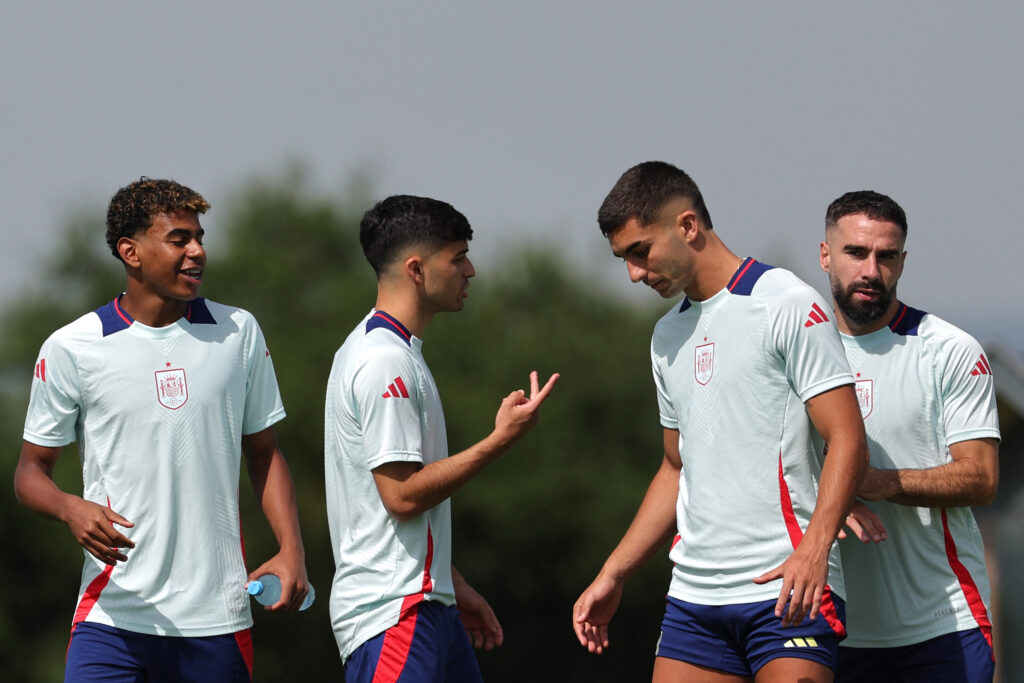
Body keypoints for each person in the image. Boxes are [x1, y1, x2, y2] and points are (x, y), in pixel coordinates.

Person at [572, 161, 869, 682]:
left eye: (640, 251)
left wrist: (813, 549)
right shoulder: (666, 336)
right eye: (623, 259)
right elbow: (673, 467)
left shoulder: (787, 304)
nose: (634, 274)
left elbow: (847, 437)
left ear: (688, 226)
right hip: (693, 600)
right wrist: (612, 573)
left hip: (786, 586)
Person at [14, 178, 310, 682]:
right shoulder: (72, 347)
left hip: (217, 620)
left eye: (199, 237)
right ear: (130, 251)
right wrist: (70, 507)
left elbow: (263, 454)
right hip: (111, 618)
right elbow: (29, 472)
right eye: (179, 239)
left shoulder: (239, 331)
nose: (197, 251)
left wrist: (291, 549)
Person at [324, 194, 558, 682]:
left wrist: (451, 582)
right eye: (457, 257)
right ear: (416, 268)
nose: (470, 269)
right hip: (393, 612)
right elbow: (402, 496)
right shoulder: (384, 360)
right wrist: (500, 440)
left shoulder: (395, 351)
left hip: (427, 603)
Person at [820, 191, 1000, 682]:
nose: (870, 271)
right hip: (831, 629)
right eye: (856, 253)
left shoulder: (950, 350)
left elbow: (982, 478)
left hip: (942, 626)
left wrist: (877, 483)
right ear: (825, 255)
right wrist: (835, 497)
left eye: (886, 256)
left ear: (903, 262)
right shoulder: (796, 352)